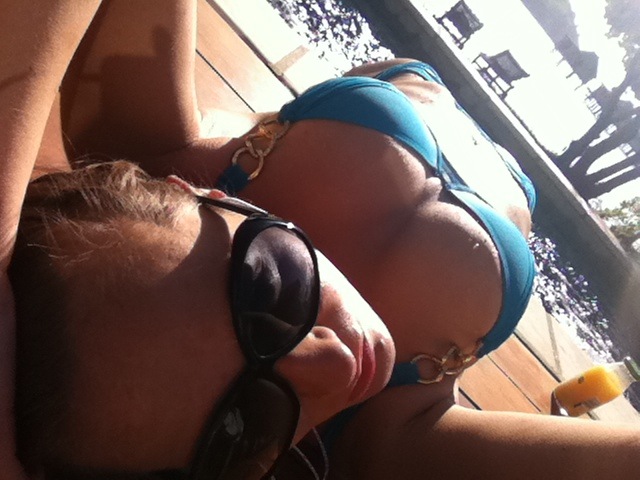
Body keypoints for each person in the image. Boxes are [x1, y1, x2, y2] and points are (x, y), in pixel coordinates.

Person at [4, 1, 640, 478]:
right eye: (242, 425)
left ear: (192, 193)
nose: (335, 364)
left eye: (267, 285)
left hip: (410, 85)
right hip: (495, 179)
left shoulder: (141, 147)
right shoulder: (391, 446)